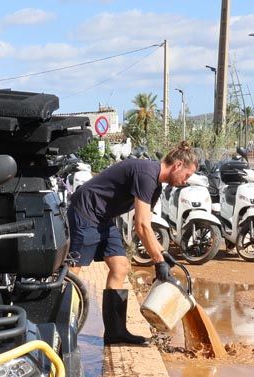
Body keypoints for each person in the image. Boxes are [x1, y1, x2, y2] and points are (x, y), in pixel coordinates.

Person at [67, 142, 198, 345]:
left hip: (103, 217)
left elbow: (147, 224)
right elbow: (141, 226)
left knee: (120, 266)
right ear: (178, 165)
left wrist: (163, 253)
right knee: (74, 271)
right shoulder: (146, 173)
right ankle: (58, 324)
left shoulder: (155, 185)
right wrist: (157, 261)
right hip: (85, 211)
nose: (185, 181)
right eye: (187, 175)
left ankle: (115, 332)